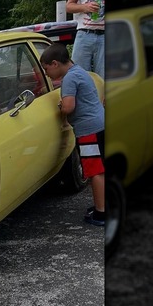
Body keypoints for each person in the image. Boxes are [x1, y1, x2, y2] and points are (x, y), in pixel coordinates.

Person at [40, 43, 106, 226]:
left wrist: (60, 106)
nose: (46, 74)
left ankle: (101, 214)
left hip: (88, 131)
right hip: (99, 124)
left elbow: (69, 106)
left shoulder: (69, 78)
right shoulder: (79, 71)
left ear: (55, 63)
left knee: (95, 172)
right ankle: (102, 206)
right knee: (100, 169)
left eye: (46, 69)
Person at [66, 0, 105, 79]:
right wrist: (85, 7)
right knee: (78, 76)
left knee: (103, 78)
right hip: (84, 34)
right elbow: (68, 6)